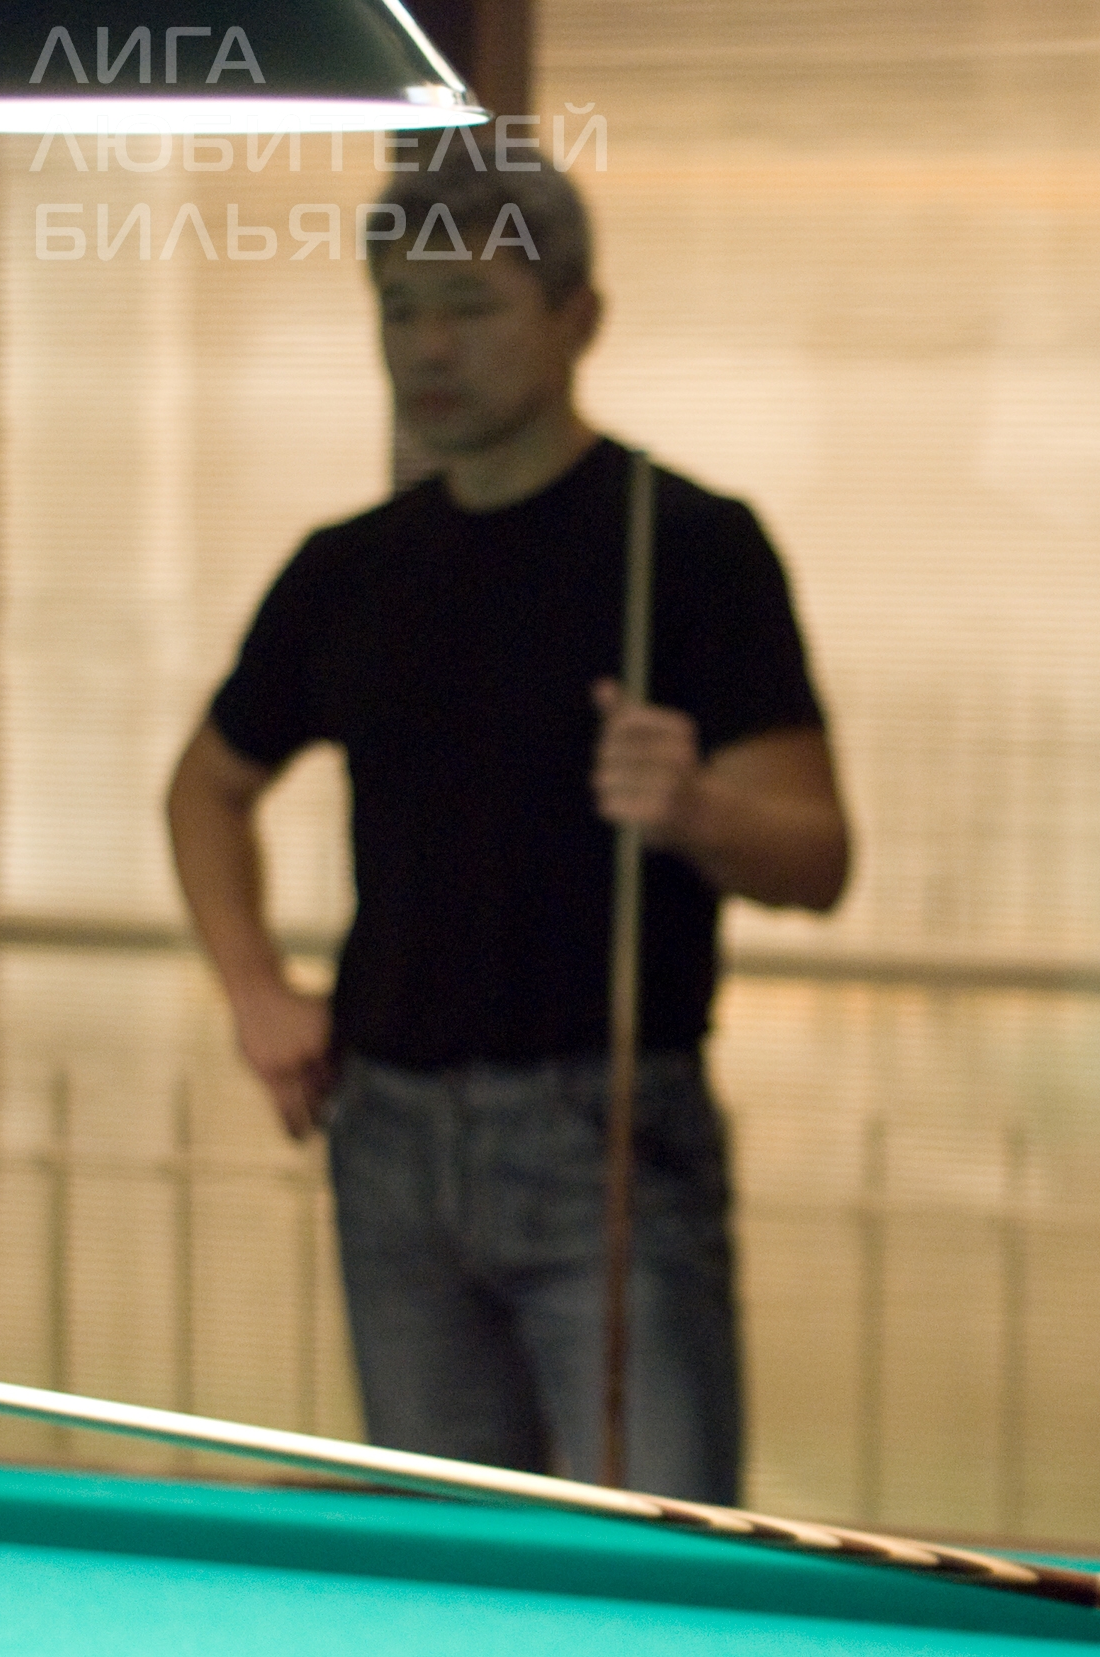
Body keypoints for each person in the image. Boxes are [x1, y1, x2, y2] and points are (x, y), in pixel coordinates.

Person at [166, 155, 850, 1504]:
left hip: (607, 1135)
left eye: (469, 306)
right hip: (389, 1132)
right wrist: (254, 988)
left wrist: (697, 810)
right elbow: (205, 788)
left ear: (578, 319)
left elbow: (819, 856)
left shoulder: (688, 546)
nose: (428, 347)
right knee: (447, 1561)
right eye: (398, 309)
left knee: (659, 1556)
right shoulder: (351, 567)